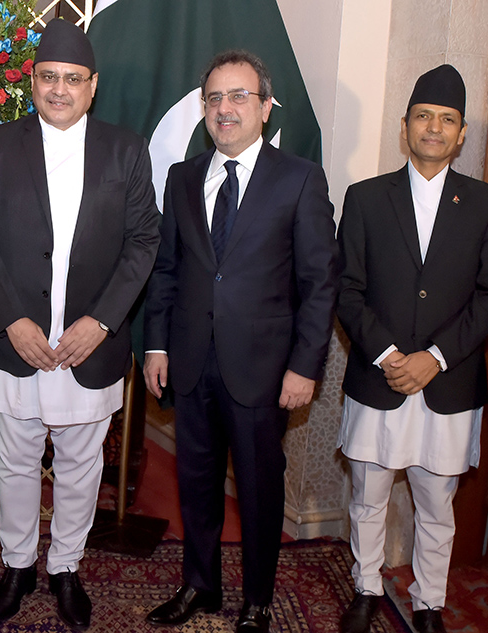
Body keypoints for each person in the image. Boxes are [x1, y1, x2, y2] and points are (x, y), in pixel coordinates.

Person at [0, 19, 161, 632]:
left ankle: (66, 567)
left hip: (89, 344)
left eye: (72, 79)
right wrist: (13, 320)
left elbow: (143, 241)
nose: (59, 89)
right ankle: (18, 565)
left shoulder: (125, 149)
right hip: (16, 340)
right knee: (17, 460)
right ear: (32, 82)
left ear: (92, 86)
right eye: (48, 77)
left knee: (81, 462)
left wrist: (101, 322)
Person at [143, 50, 338, 633]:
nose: (225, 109)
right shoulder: (181, 178)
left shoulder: (300, 179)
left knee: (258, 490)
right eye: (214, 99)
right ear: (203, 109)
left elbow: (319, 282)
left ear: (265, 106)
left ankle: (257, 599)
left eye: (238, 97)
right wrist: (156, 346)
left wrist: (305, 366)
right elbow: (167, 270)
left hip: (263, 368)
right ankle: (200, 585)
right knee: (195, 481)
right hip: (192, 361)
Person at [335, 64, 488, 633]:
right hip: (378, 377)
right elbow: (347, 288)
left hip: (449, 383)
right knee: (369, 496)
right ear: (404, 125)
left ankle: (429, 601)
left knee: (438, 505)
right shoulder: (364, 198)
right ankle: (365, 586)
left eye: (447, 119)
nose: (434, 127)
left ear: (461, 135)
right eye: (423, 116)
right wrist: (389, 355)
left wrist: (432, 358)